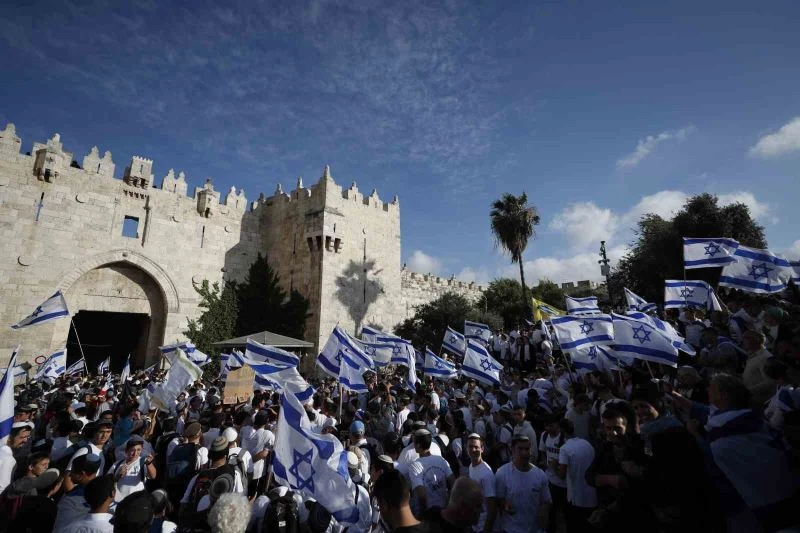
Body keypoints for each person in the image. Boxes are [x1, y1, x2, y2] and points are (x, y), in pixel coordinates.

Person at [495, 435, 550, 533]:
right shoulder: (502, 473)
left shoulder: (540, 475)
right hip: (510, 530)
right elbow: (498, 500)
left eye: (527, 449)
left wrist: (544, 512)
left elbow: (545, 501)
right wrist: (504, 505)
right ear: (512, 449)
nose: (524, 453)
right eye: (520, 449)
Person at [556, 419, 596, 533]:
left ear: (562, 431)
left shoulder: (565, 449)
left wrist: (554, 466)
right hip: (592, 496)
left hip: (576, 498)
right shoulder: (586, 443)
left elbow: (561, 475)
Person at [408, 429, 454, 515]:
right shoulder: (441, 460)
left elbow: (421, 495)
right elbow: (453, 482)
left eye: (414, 443)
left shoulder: (415, 465)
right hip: (444, 511)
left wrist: (425, 515)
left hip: (428, 514)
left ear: (418, 445)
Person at [53, 453, 102, 531]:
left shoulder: (70, 500)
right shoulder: (102, 492)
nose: (69, 475)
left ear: (82, 474)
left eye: (72, 471)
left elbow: (59, 528)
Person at [538, 417, 566, 533]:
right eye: (547, 426)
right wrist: (545, 463)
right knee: (551, 510)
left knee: (562, 513)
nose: (548, 428)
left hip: (564, 482)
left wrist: (557, 467)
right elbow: (543, 452)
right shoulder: (544, 435)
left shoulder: (564, 438)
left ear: (557, 425)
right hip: (549, 479)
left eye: (551, 425)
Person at [109, 435, 156, 502]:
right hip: (116, 503)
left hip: (135, 502)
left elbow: (153, 476)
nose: (135, 453)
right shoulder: (117, 464)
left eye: (138, 450)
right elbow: (107, 482)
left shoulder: (143, 463)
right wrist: (118, 476)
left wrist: (149, 463)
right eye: (132, 450)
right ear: (126, 451)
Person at [465, 434, 496, 533]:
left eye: (476, 447)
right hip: (475, 524)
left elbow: (492, 509)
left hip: (483, 527)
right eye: (470, 446)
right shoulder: (471, 466)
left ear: (482, 449)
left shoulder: (487, 474)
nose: (473, 450)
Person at [0, 423, 32, 493]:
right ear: (10, 437)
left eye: (27, 437)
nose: (25, 441)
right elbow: (2, 489)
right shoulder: (8, 459)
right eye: (22, 437)